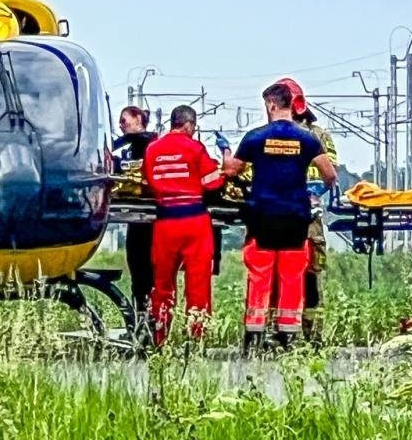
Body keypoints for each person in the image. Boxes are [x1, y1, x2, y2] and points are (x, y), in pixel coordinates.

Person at [224, 82, 338, 354]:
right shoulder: (309, 138)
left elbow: (232, 170)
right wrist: (313, 191)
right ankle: (288, 339)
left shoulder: (255, 137)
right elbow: (330, 175)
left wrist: (226, 152)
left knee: (260, 277)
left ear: (271, 104)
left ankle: (254, 340)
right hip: (296, 218)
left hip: (262, 217)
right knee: (291, 278)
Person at [142, 105, 226, 346]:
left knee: (163, 283)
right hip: (194, 221)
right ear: (189, 125)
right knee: (198, 283)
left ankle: (159, 337)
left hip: (165, 222)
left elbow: (147, 181)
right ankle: (195, 338)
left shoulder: (152, 149)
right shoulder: (194, 147)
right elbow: (213, 182)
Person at [273, 77, 337, 343]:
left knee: (310, 278)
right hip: (277, 215)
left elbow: (330, 171)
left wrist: (313, 191)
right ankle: (278, 334)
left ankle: (314, 337)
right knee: (275, 278)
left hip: (308, 219)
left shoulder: (318, 136)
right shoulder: (270, 134)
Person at [110, 105, 156, 329]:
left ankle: (148, 319)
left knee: (145, 272)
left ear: (138, 118)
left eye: (124, 120)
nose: (121, 125)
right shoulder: (119, 145)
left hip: (150, 216)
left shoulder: (150, 143)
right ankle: (142, 318)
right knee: (139, 272)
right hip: (137, 217)